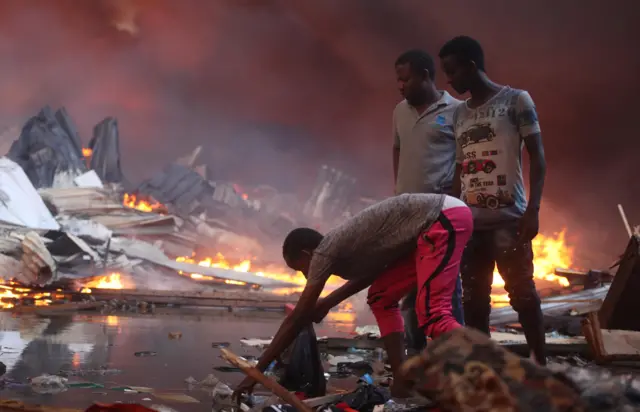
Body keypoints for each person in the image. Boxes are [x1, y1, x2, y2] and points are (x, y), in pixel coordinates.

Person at [232, 193, 473, 399]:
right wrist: (327, 303)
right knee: (380, 297)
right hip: (426, 231)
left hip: (441, 218)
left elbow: (296, 319)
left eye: (301, 268)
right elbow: (373, 275)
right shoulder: (340, 253)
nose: (306, 276)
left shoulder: (324, 253)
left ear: (308, 253)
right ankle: (402, 380)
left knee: (432, 314)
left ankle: (494, 366)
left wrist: (255, 374)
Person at [438, 36, 548, 364]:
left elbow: (538, 158)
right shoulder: (458, 115)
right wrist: (450, 213)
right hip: (470, 226)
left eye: (453, 71)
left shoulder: (516, 101)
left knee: (523, 296)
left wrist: (533, 211)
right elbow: (461, 168)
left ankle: (539, 363)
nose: (450, 80)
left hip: (510, 221)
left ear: (472, 67)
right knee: (473, 302)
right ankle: (486, 370)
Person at [392, 49, 465, 349]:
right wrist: (399, 188)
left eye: (405, 79)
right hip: (406, 216)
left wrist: (452, 200)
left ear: (424, 76)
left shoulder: (458, 110)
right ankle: (419, 360)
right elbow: (397, 148)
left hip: (441, 217)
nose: (400, 85)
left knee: (446, 293)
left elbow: (462, 160)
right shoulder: (399, 111)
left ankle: (454, 362)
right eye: (398, 79)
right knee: (409, 293)